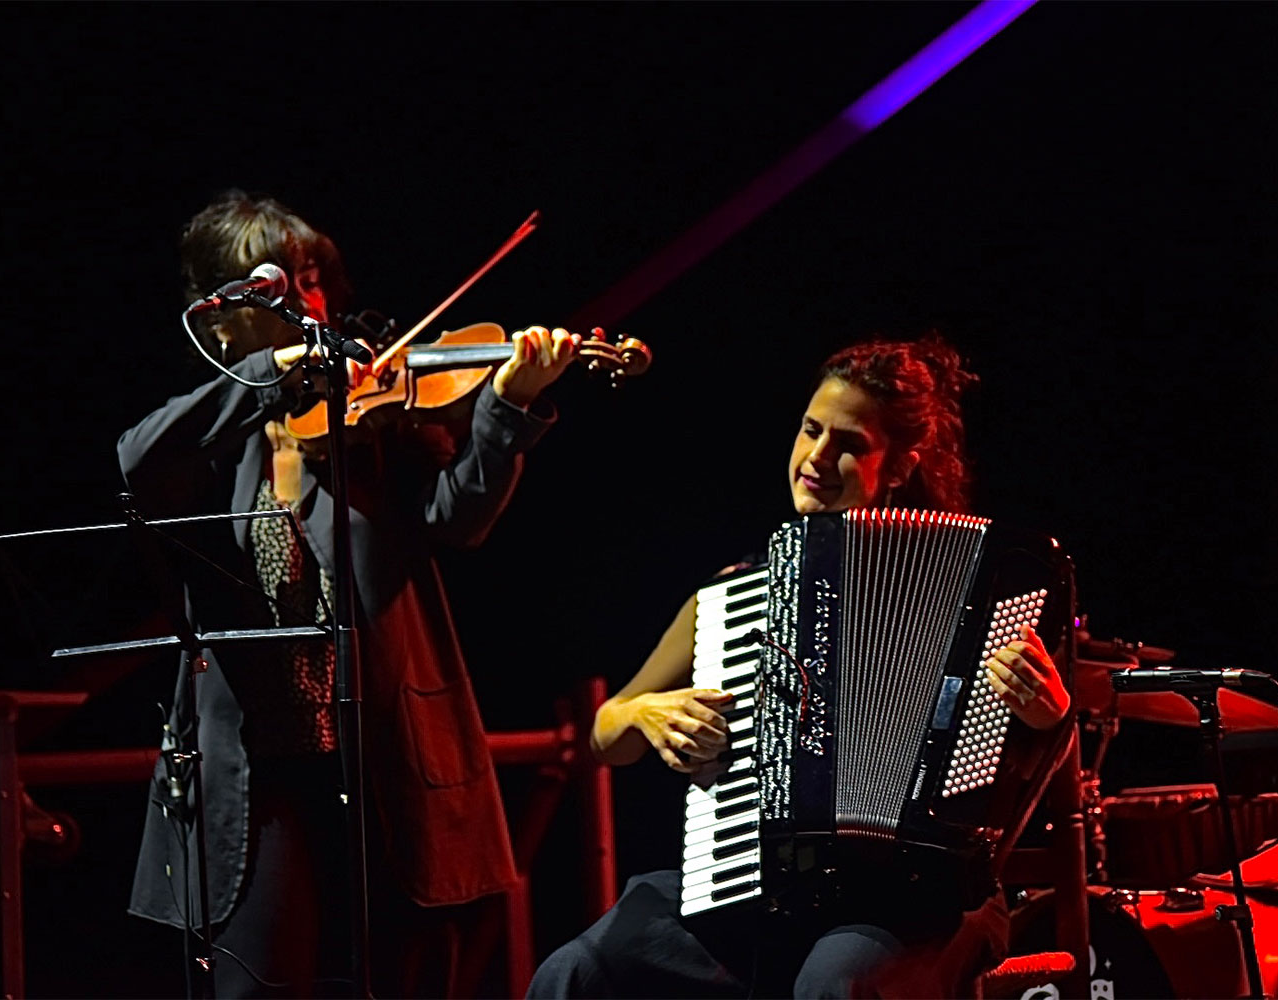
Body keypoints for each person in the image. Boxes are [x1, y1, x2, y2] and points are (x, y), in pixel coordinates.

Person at [121, 190, 579, 997]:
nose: (307, 300)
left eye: (311, 278)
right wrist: (269, 376)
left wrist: (507, 407)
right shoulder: (208, 446)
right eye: (276, 285)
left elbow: (458, 516)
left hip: (384, 755)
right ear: (219, 317)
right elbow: (135, 458)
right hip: (257, 778)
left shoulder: (376, 420)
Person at [527, 333, 1071, 999]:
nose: (816, 457)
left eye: (848, 443)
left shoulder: (975, 595)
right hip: (759, 885)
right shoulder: (731, 597)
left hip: (919, 900)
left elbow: (1030, 765)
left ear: (897, 468)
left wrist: (1050, 712)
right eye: (811, 430)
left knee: (829, 989)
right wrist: (644, 711)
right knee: (574, 973)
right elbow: (605, 737)